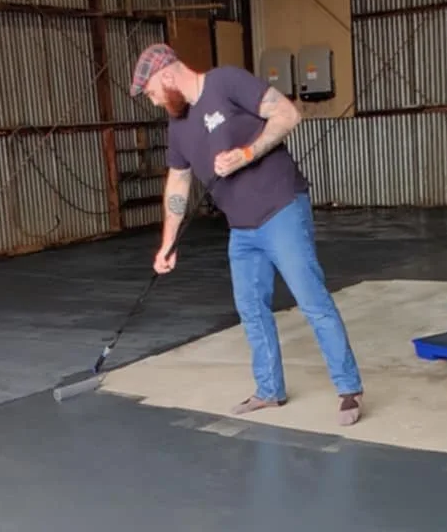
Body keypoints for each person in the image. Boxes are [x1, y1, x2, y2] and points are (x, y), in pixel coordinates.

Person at [131, 42, 365, 426]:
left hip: (281, 210)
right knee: (251, 310)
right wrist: (168, 242)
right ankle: (269, 391)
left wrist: (247, 153)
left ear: (167, 76)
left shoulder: (226, 82)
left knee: (312, 300)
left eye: (153, 93)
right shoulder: (177, 127)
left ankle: (348, 389)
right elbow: (177, 183)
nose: (155, 102)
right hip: (241, 229)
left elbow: (288, 114)